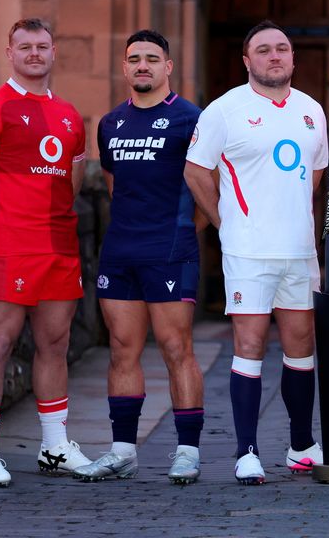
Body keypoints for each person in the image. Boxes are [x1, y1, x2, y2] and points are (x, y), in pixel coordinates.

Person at [184, 20, 327, 485]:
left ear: (292, 57)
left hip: (299, 251)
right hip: (248, 252)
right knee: (248, 347)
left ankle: (302, 445)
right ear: (247, 60)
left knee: (301, 347)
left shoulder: (311, 110)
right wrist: (229, 223)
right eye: (263, 50)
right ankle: (246, 451)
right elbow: (195, 171)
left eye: (282, 49)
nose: (274, 56)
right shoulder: (225, 110)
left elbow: (316, 177)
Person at [0, 18, 91, 486]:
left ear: (55, 53)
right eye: (25, 46)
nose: (35, 53)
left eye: (43, 46)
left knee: (55, 344)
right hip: (10, 245)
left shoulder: (71, 115)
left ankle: (53, 446)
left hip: (59, 247)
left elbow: (71, 185)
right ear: (9, 52)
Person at [72, 30, 205, 485]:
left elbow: (210, 193)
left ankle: (187, 451)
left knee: (175, 349)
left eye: (152, 58)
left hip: (170, 251)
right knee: (122, 350)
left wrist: (183, 234)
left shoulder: (191, 119)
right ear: (124, 68)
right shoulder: (110, 123)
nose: (142, 65)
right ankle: (123, 451)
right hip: (121, 251)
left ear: (169, 67)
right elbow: (114, 187)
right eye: (134, 59)